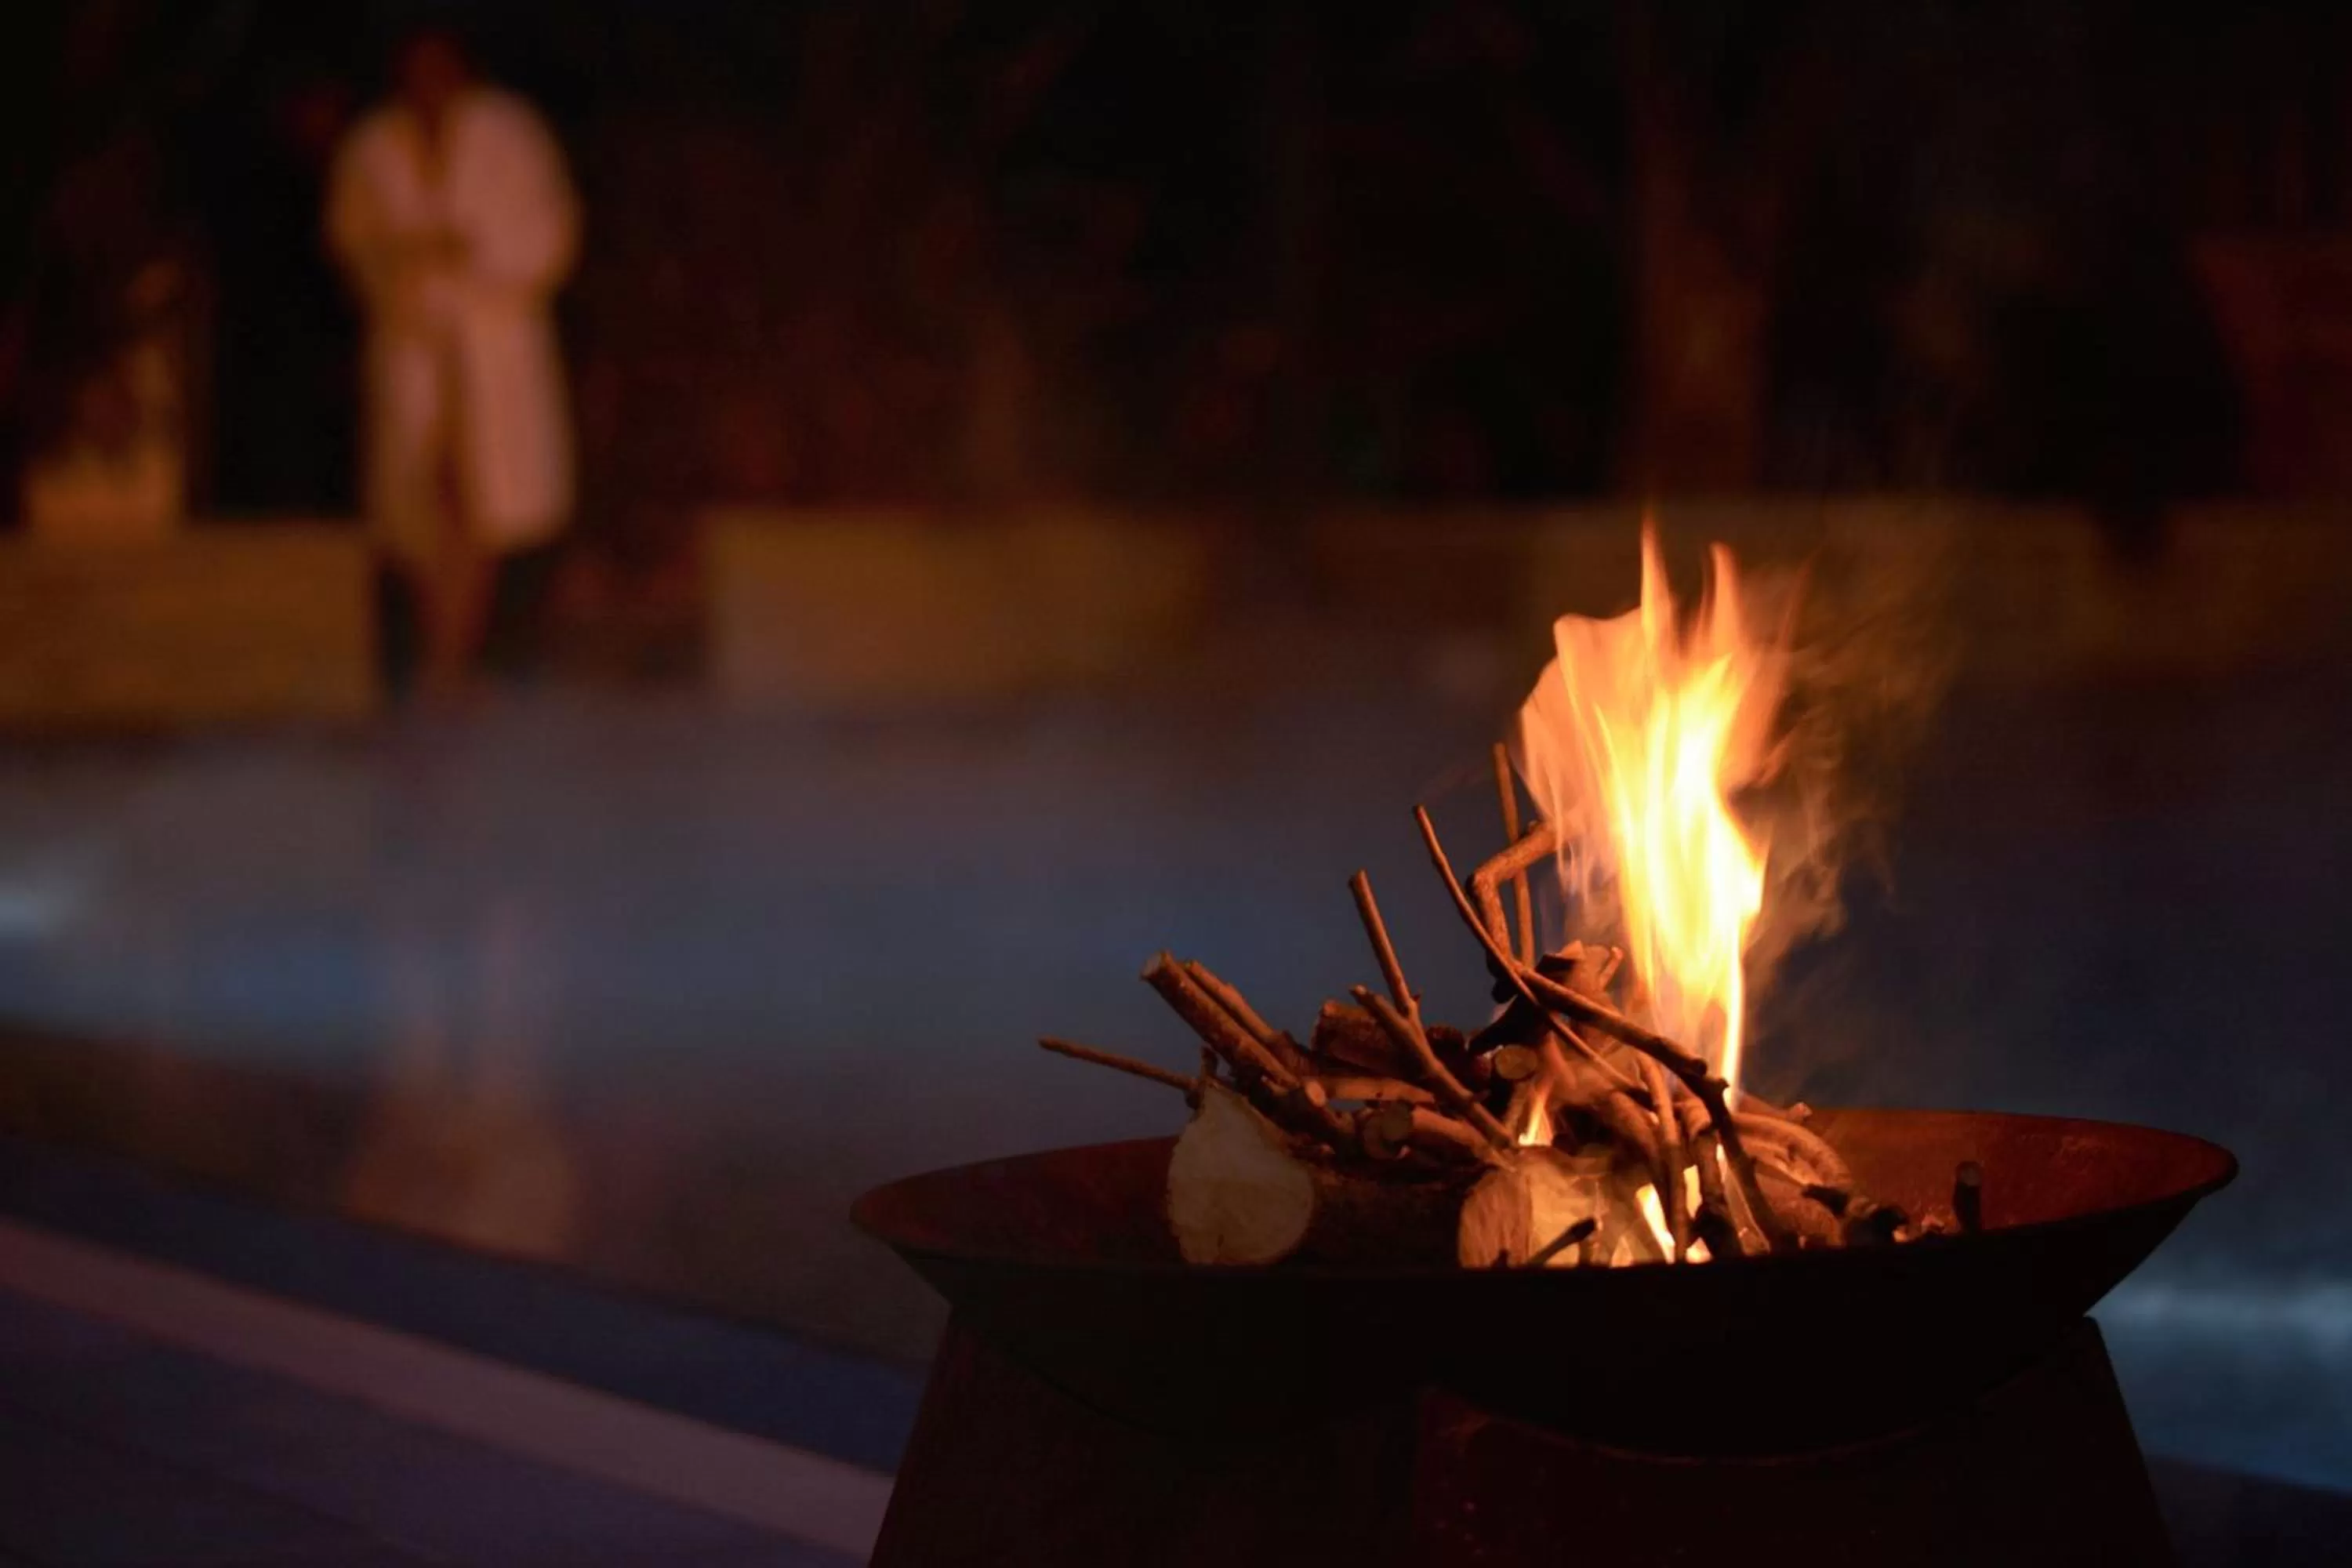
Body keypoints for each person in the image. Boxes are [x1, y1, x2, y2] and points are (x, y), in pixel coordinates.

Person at [327, 27, 578, 696]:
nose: (429, 82)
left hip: (492, 336)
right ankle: (439, 655)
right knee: (418, 498)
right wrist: (407, 266)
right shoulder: (374, 145)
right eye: (417, 68)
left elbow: (550, 229)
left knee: (486, 493)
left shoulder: (510, 132)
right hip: (413, 338)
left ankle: (470, 657)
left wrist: (477, 255)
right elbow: (352, 239)